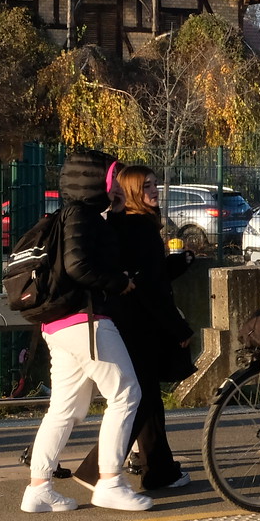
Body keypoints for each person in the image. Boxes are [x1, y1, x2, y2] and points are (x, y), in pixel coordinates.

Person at [22, 147, 149, 514]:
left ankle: (38, 488)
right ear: (97, 180)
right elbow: (79, 266)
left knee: (64, 408)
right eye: (112, 176)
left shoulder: (71, 214)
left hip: (58, 324)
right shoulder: (85, 217)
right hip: (86, 320)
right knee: (127, 393)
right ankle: (110, 481)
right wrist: (117, 282)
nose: (116, 183)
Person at [71, 164, 194, 493]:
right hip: (142, 325)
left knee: (149, 398)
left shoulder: (122, 224)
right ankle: (95, 470)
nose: (154, 190)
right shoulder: (141, 227)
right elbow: (150, 287)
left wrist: (175, 264)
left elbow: (143, 275)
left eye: (155, 184)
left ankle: (160, 470)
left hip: (124, 319)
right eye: (146, 186)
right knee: (139, 399)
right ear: (130, 192)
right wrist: (179, 328)